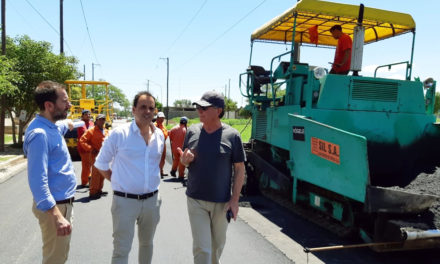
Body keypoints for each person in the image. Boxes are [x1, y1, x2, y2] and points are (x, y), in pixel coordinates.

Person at [94, 91, 164, 264]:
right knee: (121, 249)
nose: (147, 111)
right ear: (133, 110)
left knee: (147, 244)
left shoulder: (160, 135)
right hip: (124, 202)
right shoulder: (119, 134)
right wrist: (117, 180)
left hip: (152, 201)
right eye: (142, 107)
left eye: (151, 108)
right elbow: (101, 163)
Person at [178, 91, 246, 264]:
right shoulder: (192, 131)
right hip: (195, 199)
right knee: (202, 248)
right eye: (198, 107)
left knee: (216, 248)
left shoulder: (232, 136)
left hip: (222, 202)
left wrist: (235, 199)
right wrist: (184, 161)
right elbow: (185, 159)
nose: (199, 110)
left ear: (218, 110)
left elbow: (239, 169)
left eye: (204, 108)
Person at [23, 80, 76, 264]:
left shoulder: (51, 126)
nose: (69, 104)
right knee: (54, 259)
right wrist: (57, 216)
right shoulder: (40, 134)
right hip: (56, 206)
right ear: (49, 105)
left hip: (63, 203)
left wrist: (70, 122)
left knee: (60, 256)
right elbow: (38, 182)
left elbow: (63, 126)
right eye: (65, 101)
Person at [78, 114, 109, 200]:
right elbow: (82, 140)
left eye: (103, 119)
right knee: (95, 174)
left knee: (102, 174)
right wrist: (90, 149)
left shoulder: (106, 131)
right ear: (96, 121)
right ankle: (93, 192)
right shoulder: (91, 131)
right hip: (95, 155)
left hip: (104, 156)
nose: (102, 121)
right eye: (100, 119)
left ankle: (99, 190)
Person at [77, 109, 94, 187]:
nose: (88, 116)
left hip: (91, 147)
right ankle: (84, 182)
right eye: (86, 114)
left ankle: (90, 180)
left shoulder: (91, 123)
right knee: (86, 165)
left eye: (89, 114)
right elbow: (85, 134)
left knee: (91, 165)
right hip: (83, 148)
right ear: (82, 116)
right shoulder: (80, 124)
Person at [169, 116, 188, 181]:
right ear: (185, 123)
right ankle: (181, 175)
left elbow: (170, 138)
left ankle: (173, 170)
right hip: (181, 148)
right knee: (181, 162)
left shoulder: (173, 128)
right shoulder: (185, 130)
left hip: (174, 148)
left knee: (176, 159)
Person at [154, 111, 168, 178]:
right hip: (156, 143)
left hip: (163, 143)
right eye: (161, 118)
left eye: (163, 118)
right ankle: (157, 172)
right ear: (157, 118)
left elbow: (166, 134)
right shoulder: (154, 125)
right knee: (157, 158)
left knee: (163, 158)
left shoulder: (163, 126)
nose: (162, 119)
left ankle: (161, 171)